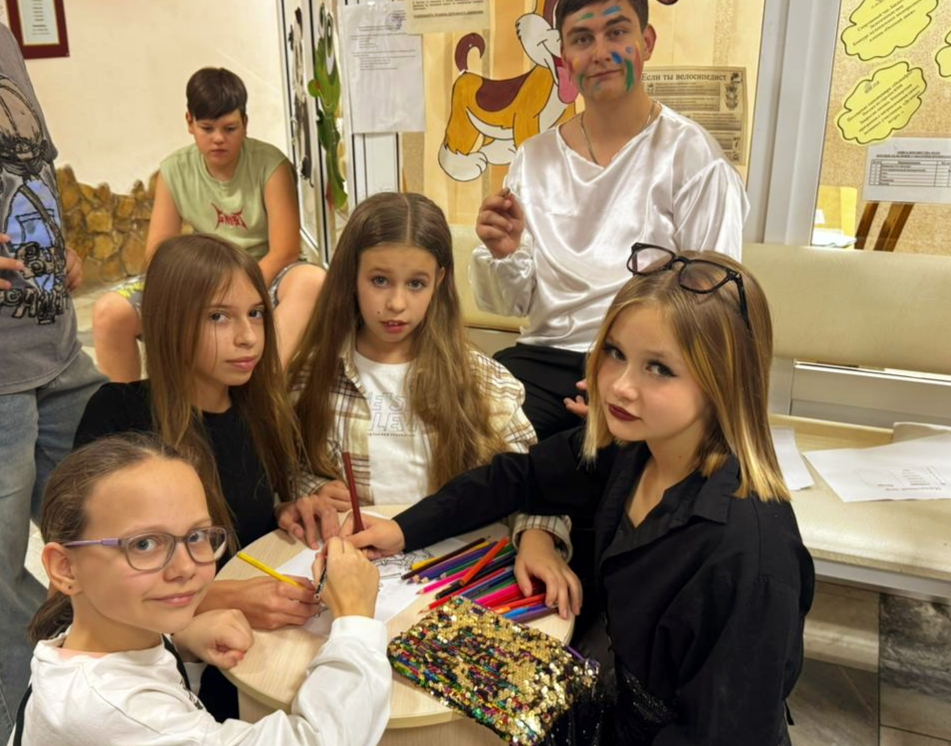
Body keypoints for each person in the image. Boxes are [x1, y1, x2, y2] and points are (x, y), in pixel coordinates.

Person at [346, 245, 815, 744]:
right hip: (617, 701)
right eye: (615, 353)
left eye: (659, 368)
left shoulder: (748, 556)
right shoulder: (636, 449)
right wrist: (403, 529)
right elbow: (519, 477)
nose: (619, 387)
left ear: (724, 382)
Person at [472, 0, 749, 439]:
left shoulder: (692, 156)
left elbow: (713, 301)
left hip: (646, 362)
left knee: (604, 460)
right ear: (565, 58)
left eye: (617, 33)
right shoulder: (534, 159)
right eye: (582, 39)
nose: (600, 53)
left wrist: (630, 381)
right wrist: (505, 255)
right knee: (472, 437)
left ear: (647, 42)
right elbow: (513, 306)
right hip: (544, 359)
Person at [11, 433, 390, 746]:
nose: (186, 568)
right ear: (65, 568)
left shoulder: (100, 640)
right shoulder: (113, 712)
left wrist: (183, 647)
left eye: (197, 536)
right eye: (144, 544)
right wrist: (355, 617)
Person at [280, 192, 574, 587]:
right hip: (354, 575)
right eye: (379, 280)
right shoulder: (311, 377)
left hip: (456, 577)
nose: (396, 303)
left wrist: (538, 536)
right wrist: (310, 492)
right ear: (351, 277)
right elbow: (287, 471)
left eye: (416, 283)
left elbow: (531, 478)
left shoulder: (482, 381)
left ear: (440, 281)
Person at [75, 235, 314, 718]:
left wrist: (287, 509)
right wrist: (214, 596)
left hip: (255, 644)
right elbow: (89, 576)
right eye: (218, 317)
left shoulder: (259, 411)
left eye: (256, 313)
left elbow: (244, 515)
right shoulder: (118, 414)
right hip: (156, 674)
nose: (248, 337)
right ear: (169, 320)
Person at [0, 22, 106, 743]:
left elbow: (31, 159)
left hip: (56, 345)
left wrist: (56, 244)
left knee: (103, 535)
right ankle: (32, 720)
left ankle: (101, 690)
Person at [93, 67, 326, 381]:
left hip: (264, 273)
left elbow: (285, 251)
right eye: (207, 128)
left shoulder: (271, 165)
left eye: (230, 128)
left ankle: (265, 385)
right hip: (203, 276)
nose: (218, 139)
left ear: (245, 123)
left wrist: (235, 291)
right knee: (109, 312)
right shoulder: (174, 170)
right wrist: (201, 288)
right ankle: (129, 408)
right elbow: (158, 252)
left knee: (312, 281)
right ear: (189, 122)